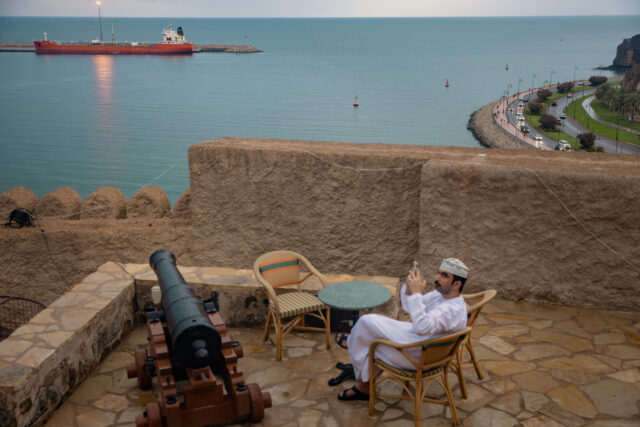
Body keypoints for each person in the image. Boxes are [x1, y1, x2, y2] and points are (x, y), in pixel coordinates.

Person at [338, 258, 469, 401]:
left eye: (444, 276)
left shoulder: (452, 310)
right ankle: (354, 346)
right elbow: (410, 307)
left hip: (419, 354)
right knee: (370, 321)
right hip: (420, 342)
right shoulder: (441, 296)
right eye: (439, 273)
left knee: (370, 338)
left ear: (456, 284)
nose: (437, 278)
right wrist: (410, 289)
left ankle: (363, 385)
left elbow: (422, 327)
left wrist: (417, 293)